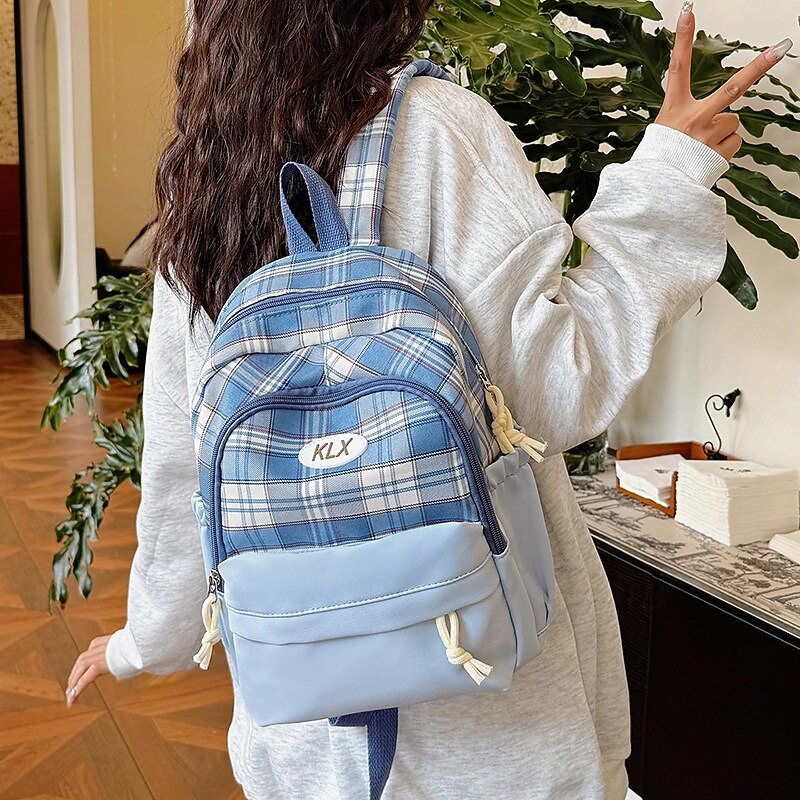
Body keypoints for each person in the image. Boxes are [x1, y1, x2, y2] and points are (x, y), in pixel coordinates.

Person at [66, 1, 792, 797]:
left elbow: (185, 465)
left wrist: (145, 642)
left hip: (305, 721)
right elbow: (555, 392)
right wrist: (670, 177)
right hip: (493, 714)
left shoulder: (207, 172)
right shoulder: (439, 130)